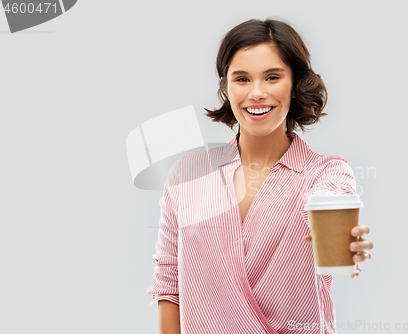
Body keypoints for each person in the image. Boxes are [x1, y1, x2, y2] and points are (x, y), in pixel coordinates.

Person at [147, 18, 374, 334]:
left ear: (295, 84)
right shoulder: (190, 175)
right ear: (225, 87)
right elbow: (170, 283)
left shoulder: (325, 173)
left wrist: (344, 237)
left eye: (272, 77)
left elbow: (333, 203)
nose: (256, 92)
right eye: (242, 78)